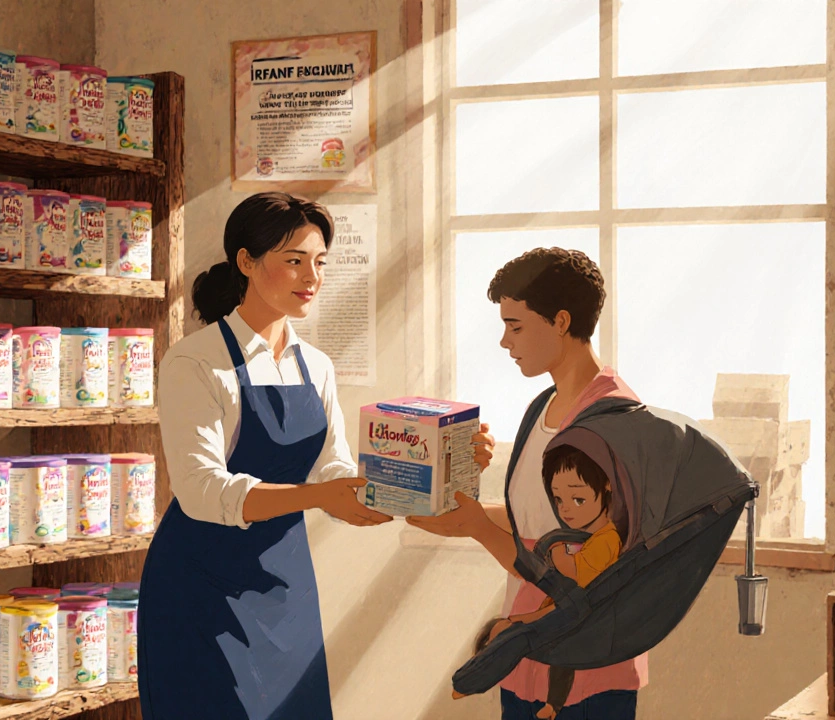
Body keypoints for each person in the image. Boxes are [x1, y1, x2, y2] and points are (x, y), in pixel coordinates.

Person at [139, 193, 389, 719]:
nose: (311, 277)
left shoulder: (315, 365)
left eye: (319, 262)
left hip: (285, 585)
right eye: (294, 260)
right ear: (247, 262)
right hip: (201, 586)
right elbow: (202, 491)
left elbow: (332, 468)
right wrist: (321, 495)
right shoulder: (195, 362)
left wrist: (422, 469)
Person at [409, 247, 647, 720]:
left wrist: (476, 527)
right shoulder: (543, 407)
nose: (504, 341)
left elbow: (577, 564)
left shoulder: (611, 420)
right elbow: (532, 524)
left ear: (560, 321)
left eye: (515, 326)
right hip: (527, 651)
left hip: (584, 663)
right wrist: (452, 506)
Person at [460, 441, 623, 720]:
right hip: (561, 612)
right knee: (511, 630)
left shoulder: (607, 540)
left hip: (572, 616)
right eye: (558, 500)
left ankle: (484, 675)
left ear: (606, 487)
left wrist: (556, 549)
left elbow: (572, 573)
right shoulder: (586, 535)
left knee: (524, 636)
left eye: (578, 500)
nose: (566, 510)